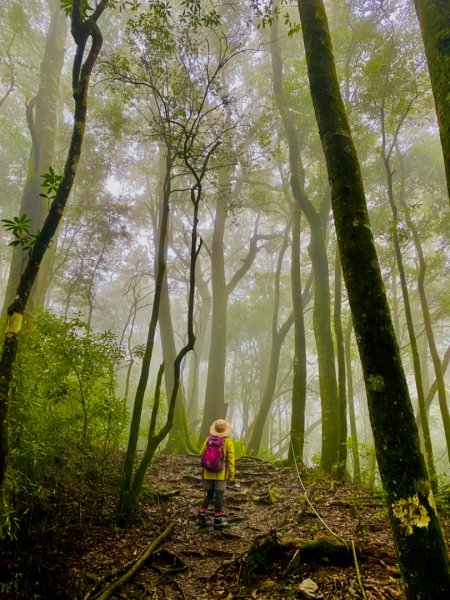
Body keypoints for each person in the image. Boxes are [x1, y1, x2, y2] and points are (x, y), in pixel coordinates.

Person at [197, 419, 235, 530]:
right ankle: (217, 521)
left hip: (208, 472)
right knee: (219, 496)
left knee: (209, 495)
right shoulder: (227, 441)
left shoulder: (208, 439)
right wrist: (232, 474)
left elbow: (201, 453)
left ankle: (201, 517)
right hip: (221, 473)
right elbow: (231, 459)